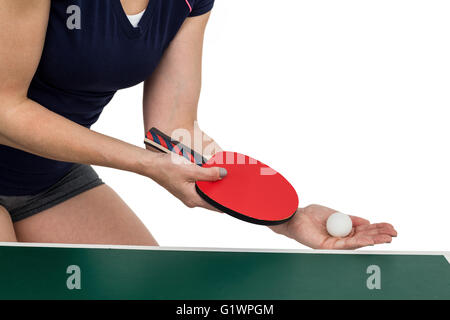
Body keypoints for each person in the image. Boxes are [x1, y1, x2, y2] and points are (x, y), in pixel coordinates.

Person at [0, 0, 397, 249]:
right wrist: (144, 164)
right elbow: (5, 111)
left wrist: (283, 215)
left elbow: (172, 132)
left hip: (47, 179)